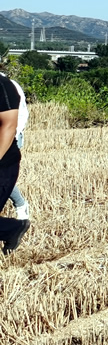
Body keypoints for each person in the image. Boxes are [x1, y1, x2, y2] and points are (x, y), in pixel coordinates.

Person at [0, 72, 30, 255]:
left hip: (3, 164)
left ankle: (11, 228)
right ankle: (10, 228)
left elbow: (10, 126)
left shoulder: (5, 87)